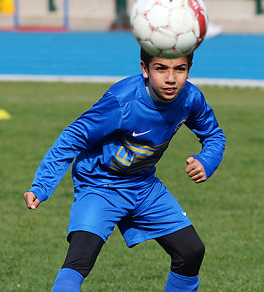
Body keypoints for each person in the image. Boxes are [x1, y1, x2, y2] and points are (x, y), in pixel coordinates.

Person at [24, 48, 226, 292]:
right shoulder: (122, 100)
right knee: (79, 260)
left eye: (180, 69)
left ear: (189, 70)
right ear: (145, 69)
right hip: (100, 186)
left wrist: (207, 161)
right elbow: (73, 136)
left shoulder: (191, 98)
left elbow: (213, 134)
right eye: (161, 68)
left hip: (144, 186)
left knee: (191, 251)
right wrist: (42, 185)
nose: (171, 78)